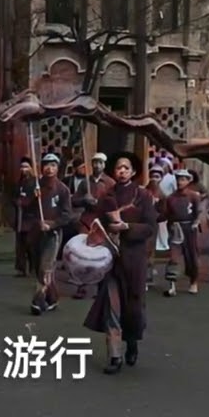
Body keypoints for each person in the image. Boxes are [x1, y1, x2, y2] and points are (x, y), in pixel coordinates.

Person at [82, 157, 159, 375]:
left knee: (133, 308)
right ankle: (114, 355)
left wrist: (127, 227)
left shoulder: (143, 196)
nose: (122, 171)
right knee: (111, 307)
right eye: (118, 168)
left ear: (133, 172)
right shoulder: (107, 197)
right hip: (111, 260)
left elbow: (150, 227)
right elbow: (97, 225)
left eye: (126, 168)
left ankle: (132, 342)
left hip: (134, 259)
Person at [28, 153, 74, 315]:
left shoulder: (62, 189)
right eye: (46, 165)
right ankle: (52, 297)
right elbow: (24, 206)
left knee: (45, 267)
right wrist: (33, 198)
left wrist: (52, 224)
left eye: (53, 165)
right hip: (35, 232)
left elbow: (67, 215)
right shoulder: (35, 186)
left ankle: (38, 299)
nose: (49, 168)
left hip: (53, 234)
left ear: (57, 168)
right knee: (39, 266)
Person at [160, 169, 204, 297]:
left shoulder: (194, 196)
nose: (180, 182)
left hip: (190, 228)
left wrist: (196, 222)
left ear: (188, 181)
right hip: (176, 228)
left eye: (183, 179)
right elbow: (165, 214)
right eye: (178, 179)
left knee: (192, 256)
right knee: (174, 257)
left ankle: (193, 281)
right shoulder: (171, 198)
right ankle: (172, 285)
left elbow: (199, 212)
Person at [12, 157, 37, 277]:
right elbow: (14, 195)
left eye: (26, 167)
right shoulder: (19, 182)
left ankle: (33, 267)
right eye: (22, 167)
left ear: (31, 168)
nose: (23, 169)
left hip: (30, 217)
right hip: (20, 216)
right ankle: (21, 268)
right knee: (20, 244)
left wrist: (26, 202)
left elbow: (36, 199)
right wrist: (16, 201)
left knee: (30, 244)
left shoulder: (35, 183)